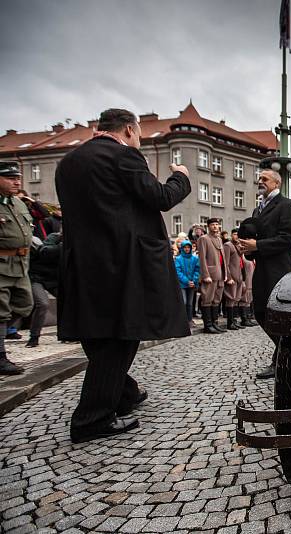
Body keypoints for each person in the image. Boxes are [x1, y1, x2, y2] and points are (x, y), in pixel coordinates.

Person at [55, 108, 191, 443]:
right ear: (129, 129)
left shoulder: (68, 163)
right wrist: (181, 176)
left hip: (82, 264)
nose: (140, 139)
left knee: (98, 333)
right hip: (121, 262)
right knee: (121, 335)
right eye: (139, 133)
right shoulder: (123, 157)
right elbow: (160, 197)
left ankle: (123, 393)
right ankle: (92, 418)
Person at [239, 169, 291, 379]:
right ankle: (286, 354)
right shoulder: (258, 210)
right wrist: (248, 249)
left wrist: (258, 245)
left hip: (280, 269)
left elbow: (287, 238)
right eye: (259, 179)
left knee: (277, 313)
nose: (260, 181)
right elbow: (254, 238)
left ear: (276, 183)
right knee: (260, 311)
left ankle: (282, 359)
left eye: (264, 179)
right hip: (262, 269)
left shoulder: (286, 205)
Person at [0, 162, 33, 375]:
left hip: (20, 265)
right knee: (0, 313)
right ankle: (1, 357)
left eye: (18, 177)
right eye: (10, 178)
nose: (17, 181)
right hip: (1, 265)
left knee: (25, 305)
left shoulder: (17, 203)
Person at [26, 231, 62, 347]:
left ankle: (65, 334)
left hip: (54, 280)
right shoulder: (54, 237)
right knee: (43, 303)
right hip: (37, 277)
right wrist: (63, 246)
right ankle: (34, 337)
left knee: (69, 302)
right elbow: (44, 251)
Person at [197, 218, 228, 334]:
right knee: (207, 299)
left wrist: (226, 274)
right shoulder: (204, 239)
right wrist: (205, 275)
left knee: (216, 300)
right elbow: (202, 258)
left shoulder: (219, 239)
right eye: (213, 224)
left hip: (220, 274)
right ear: (208, 226)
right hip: (210, 274)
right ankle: (208, 325)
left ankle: (215, 323)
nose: (215, 226)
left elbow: (223, 258)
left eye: (217, 224)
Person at [174, 240, 200, 327]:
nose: (187, 249)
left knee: (190, 303)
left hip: (192, 284)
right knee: (184, 302)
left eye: (188, 247)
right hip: (182, 284)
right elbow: (178, 272)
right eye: (185, 247)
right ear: (182, 248)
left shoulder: (195, 258)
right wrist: (187, 281)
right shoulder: (178, 259)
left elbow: (197, 270)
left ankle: (189, 320)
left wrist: (194, 280)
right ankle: (182, 320)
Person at [223, 228, 245, 330]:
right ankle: (230, 322)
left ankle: (234, 321)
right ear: (232, 235)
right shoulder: (228, 245)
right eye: (235, 234)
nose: (237, 236)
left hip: (239, 276)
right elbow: (225, 263)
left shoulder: (239, 246)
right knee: (230, 299)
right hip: (232, 277)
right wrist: (229, 277)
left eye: (238, 235)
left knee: (236, 299)